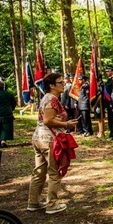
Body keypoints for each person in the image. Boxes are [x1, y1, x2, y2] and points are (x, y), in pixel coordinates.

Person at [27, 73, 76, 215]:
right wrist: (66, 124)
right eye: (60, 82)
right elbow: (48, 120)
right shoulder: (51, 99)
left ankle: (33, 201)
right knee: (54, 173)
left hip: (39, 138)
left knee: (40, 171)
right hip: (49, 139)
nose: (63, 84)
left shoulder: (48, 98)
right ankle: (52, 204)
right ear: (51, 85)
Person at [103, 65, 113, 140]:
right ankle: (111, 132)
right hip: (108, 102)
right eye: (106, 71)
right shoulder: (108, 80)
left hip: (112, 101)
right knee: (110, 118)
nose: (107, 72)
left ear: (112, 71)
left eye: (108, 71)